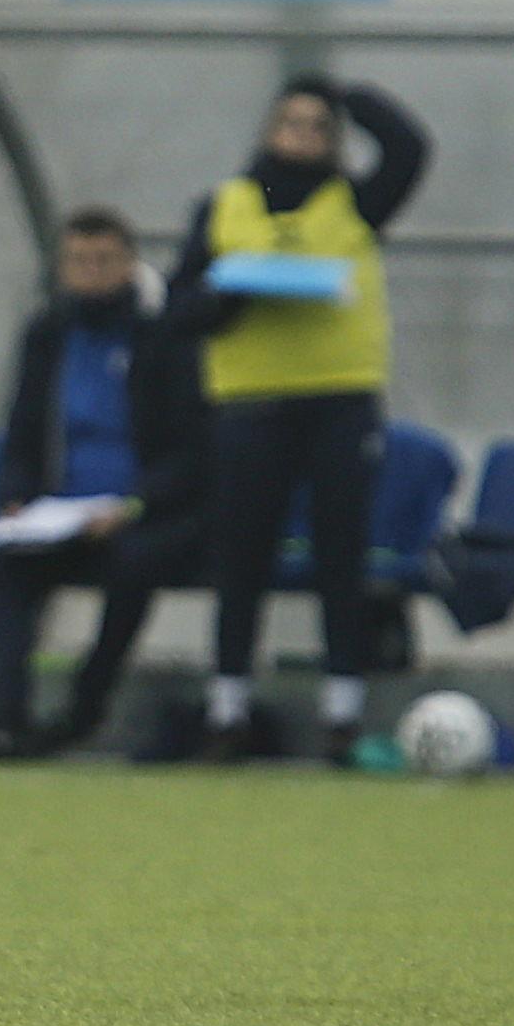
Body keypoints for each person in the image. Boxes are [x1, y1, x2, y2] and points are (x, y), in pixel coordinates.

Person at [165, 75, 430, 763]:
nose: (304, 136)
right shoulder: (224, 206)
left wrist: (349, 94)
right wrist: (229, 293)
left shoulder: (355, 203)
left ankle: (341, 714)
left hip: (339, 399)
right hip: (251, 403)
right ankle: (228, 710)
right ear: (267, 129)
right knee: (241, 557)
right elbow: (180, 306)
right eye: (292, 122)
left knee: (340, 557)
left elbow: (408, 149)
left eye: (319, 126)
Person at [0, 209, 209, 760]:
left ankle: (83, 711)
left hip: (142, 517)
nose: (90, 272)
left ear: (128, 264)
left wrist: (134, 505)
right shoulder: (47, 336)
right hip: (60, 514)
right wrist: (17, 497)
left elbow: (192, 453)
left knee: (135, 565)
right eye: (78, 261)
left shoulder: (163, 339)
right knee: (3, 568)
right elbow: (21, 433)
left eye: (104, 261)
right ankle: (11, 721)